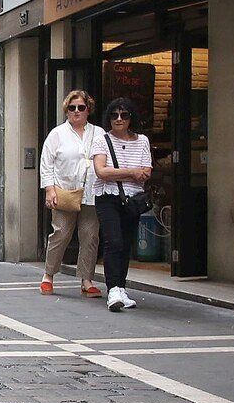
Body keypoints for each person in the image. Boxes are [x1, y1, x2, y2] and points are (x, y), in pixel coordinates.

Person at [39, 90, 104, 297]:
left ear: (88, 110)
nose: (76, 111)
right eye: (72, 108)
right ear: (66, 110)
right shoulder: (57, 134)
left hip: (92, 192)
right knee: (61, 233)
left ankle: (86, 280)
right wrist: (49, 189)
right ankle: (48, 275)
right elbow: (46, 163)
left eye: (81, 107)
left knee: (90, 235)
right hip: (65, 191)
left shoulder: (99, 134)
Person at [90, 99, 153, 312]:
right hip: (107, 197)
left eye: (124, 115)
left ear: (130, 118)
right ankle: (112, 289)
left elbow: (146, 171)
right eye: (114, 115)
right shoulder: (102, 140)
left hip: (132, 199)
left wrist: (130, 173)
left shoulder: (142, 141)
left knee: (126, 244)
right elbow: (101, 171)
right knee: (113, 241)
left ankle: (121, 286)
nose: (119, 119)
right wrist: (131, 172)